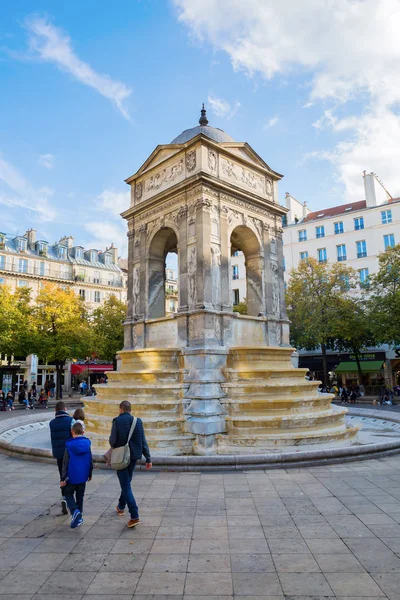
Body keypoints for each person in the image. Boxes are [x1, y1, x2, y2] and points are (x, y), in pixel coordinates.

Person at [109, 400, 152, 528]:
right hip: (134, 457)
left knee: (126, 485)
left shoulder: (117, 421)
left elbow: (113, 441)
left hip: (122, 457)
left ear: (121, 409)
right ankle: (121, 506)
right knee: (126, 482)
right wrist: (148, 459)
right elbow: (143, 441)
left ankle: (134, 515)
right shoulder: (137, 421)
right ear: (130, 410)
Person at [60, 421, 92, 529]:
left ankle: (75, 511)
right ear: (83, 432)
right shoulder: (87, 444)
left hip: (71, 476)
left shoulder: (69, 446)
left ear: (72, 432)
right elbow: (90, 460)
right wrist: (90, 473)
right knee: (80, 496)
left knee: (67, 493)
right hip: (83, 476)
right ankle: (79, 516)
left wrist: (63, 478)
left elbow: (65, 463)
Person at [49, 401, 72, 515]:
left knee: (62, 476)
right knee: (70, 476)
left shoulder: (52, 423)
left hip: (58, 454)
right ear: (65, 409)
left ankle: (63, 497)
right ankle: (69, 498)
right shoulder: (70, 421)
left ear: (55, 410)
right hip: (69, 454)